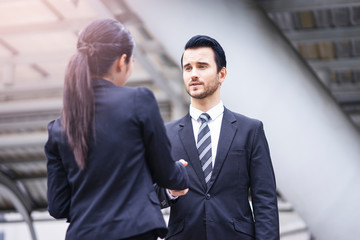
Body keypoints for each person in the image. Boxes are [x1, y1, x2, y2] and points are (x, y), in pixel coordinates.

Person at [44, 18, 189, 240]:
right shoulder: (139, 101)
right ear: (122, 61)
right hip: (134, 232)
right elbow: (166, 173)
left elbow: (58, 206)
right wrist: (181, 173)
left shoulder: (59, 127)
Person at [156, 35, 279, 240]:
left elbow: (265, 200)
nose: (193, 74)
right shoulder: (165, 134)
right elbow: (148, 193)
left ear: (222, 74)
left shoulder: (250, 130)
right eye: (188, 68)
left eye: (202, 66)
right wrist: (170, 190)